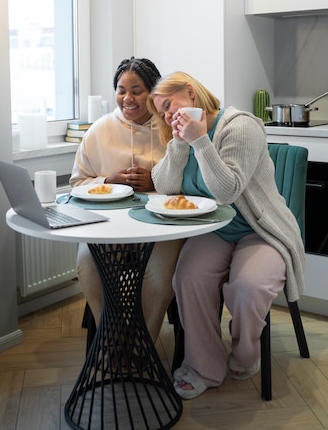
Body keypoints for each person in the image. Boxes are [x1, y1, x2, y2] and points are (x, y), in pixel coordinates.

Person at [148, 71, 306, 399]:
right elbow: (163, 186)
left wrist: (201, 140)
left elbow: (226, 190)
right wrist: (179, 142)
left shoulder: (240, 126)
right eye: (161, 112)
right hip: (215, 230)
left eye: (168, 104)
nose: (166, 115)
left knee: (248, 288)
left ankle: (246, 355)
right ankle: (205, 365)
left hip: (260, 229)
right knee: (187, 278)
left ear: (190, 93)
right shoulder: (181, 135)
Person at [70, 57, 184, 343]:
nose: (127, 98)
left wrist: (156, 180)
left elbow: (192, 185)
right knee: (88, 263)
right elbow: (77, 183)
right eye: (121, 90)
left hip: (162, 229)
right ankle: (111, 339)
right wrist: (109, 181)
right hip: (108, 227)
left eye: (137, 90)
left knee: (159, 277)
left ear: (154, 93)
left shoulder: (172, 129)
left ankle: (142, 345)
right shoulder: (98, 131)